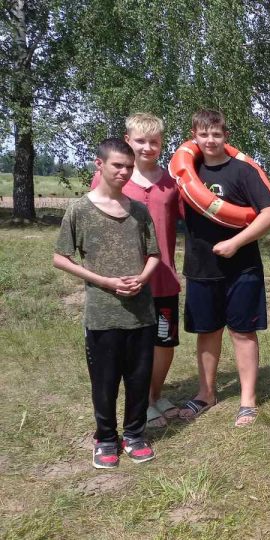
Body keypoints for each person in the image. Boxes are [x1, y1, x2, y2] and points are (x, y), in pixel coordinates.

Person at [53, 138, 161, 468]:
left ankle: (135, 435)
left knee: (139, 379)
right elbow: (60, 258)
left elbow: (154, 254)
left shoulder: (139, 211)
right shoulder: (80, 210)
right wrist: (104, 282)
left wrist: (142, 278)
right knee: (105, 381)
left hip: (141, 313)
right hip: (101, 313)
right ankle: (105, 438)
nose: (125, 172)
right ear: (99, 165)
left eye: (129, 167)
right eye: (118, 165)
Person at [178, 109, 270, 427]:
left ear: (226, 137)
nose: (210, 140)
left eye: (216, 134)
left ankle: (248, 400)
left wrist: (237, 242)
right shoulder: (186, 171)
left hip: (242, 267)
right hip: (200, 265)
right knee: (207, 331)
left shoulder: (242, 172)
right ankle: (206, 393)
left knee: (243, 332)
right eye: (203, 134)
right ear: (194, 136)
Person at [90, 113, 181, 428]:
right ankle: (137, 407)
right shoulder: (113, 178)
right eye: (140, 141)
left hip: (164, 278)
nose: (147, 147)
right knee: (132, 349)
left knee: (165, 342)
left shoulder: (171, 183)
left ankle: (155, 396)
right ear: (128, 140)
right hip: (125, 282)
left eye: (154, 141)